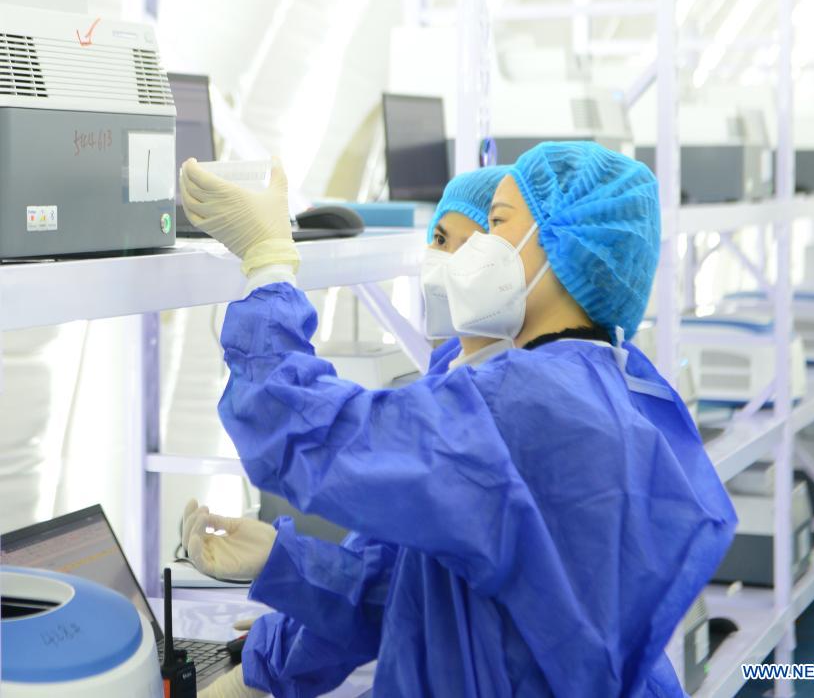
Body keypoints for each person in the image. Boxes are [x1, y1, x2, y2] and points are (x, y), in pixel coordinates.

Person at [180, 141, 737, 697]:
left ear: (562, 242)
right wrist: (283, 561)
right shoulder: (611, 379)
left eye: (495, 225)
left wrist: (269, 261)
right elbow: (422, 586)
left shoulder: (528, 401)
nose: (475, 250)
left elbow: (308, 434)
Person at [185, 166, 513, 697]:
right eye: (437, 238)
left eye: (471, 243)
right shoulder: (461, 370)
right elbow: (397, 583)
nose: (442, 261)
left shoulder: (507, 408)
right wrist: (281, 571)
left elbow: (294, 425)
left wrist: (269, 264)